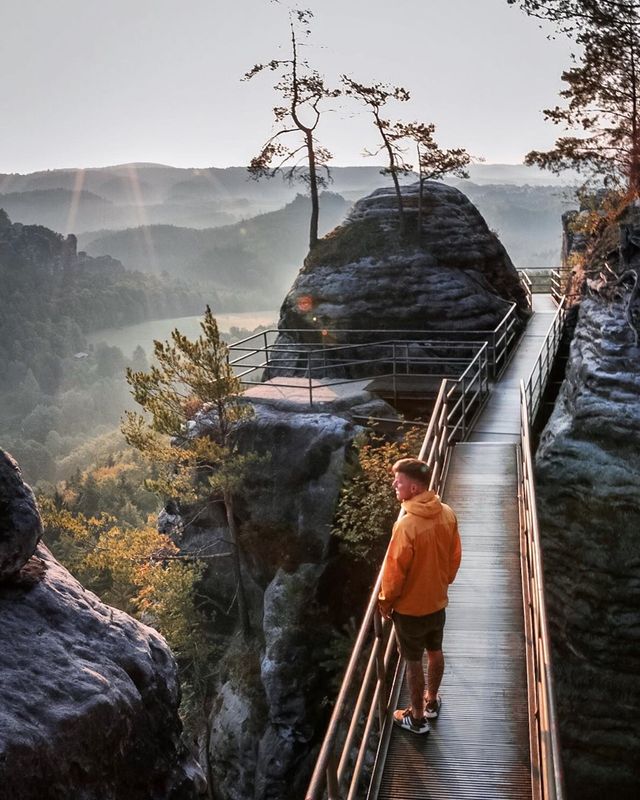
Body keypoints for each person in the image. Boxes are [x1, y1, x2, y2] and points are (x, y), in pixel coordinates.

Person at [378, 457, 462, 734]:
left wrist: (386, 603)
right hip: (437, 604)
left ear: (413, 488)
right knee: (435, 651)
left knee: (412, 661)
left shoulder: (406, 526)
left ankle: (416, 719)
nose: (394, 485)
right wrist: (440, 584)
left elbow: (393, 573)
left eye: (398, 481)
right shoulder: (447, 513)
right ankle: (432, 701)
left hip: (410, 611)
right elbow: (454, 558)